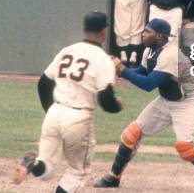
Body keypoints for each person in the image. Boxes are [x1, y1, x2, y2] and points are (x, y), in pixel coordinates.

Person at [93, 18, 194, 193]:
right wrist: (119, 70)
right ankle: (114, 176)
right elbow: (140, 73)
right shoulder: (150, 51)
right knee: (131, 134)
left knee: (184, 146)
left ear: (159, 36)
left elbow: (148, 84)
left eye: (147, 32)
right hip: (167, 99)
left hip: (190, 100)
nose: (143, 34)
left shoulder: (170, 54)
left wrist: (122, 70)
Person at [12, 12, 123, 192]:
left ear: (85, 29)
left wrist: (50, 111)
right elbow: (106, 100)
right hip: (78, 118)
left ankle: (31, 165)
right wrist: (118, 105)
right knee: (78, 173)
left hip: (55, 113)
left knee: (46, 168)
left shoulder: (68, 50)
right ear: (103, 32)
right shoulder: (103, 59)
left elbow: (44, 83)